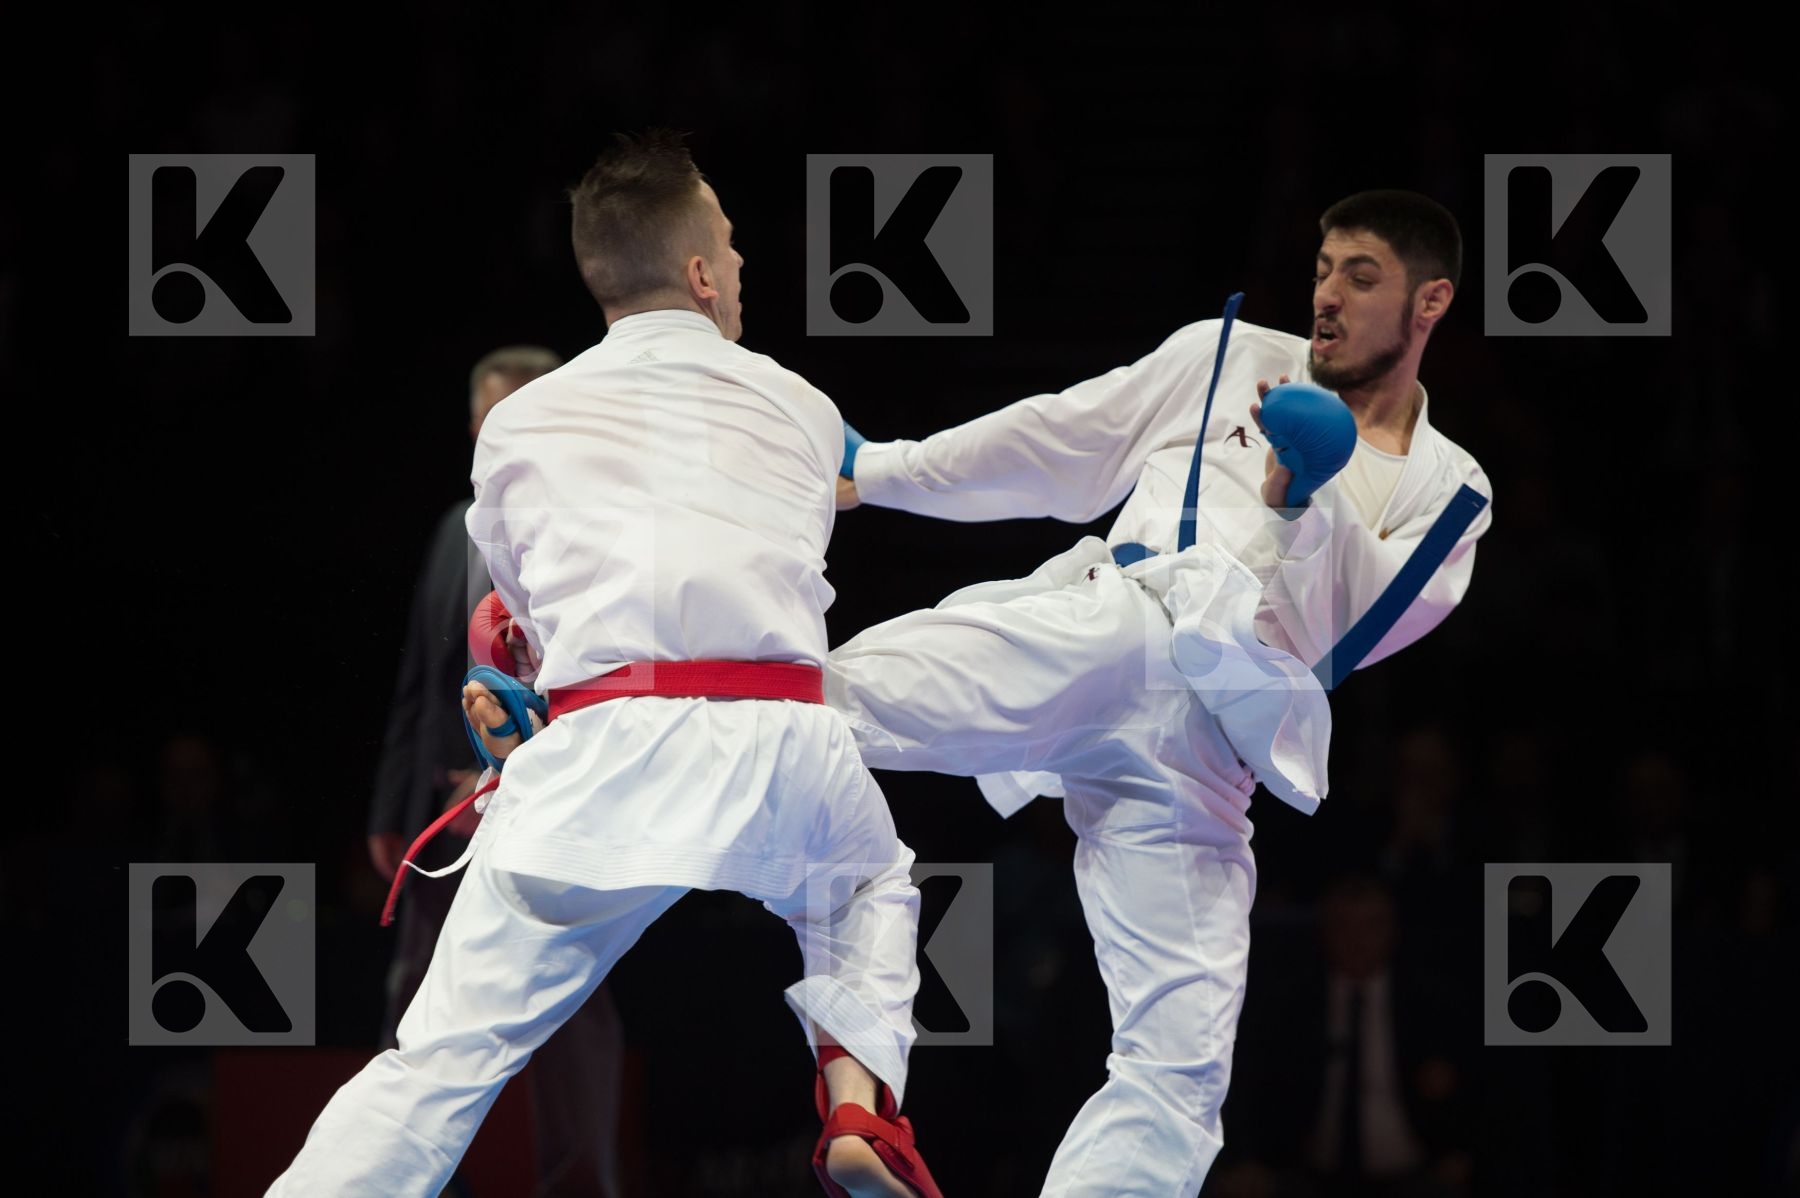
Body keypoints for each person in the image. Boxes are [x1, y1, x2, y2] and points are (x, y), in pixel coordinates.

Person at [267, 131, 943, 1198]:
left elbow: (518, 629)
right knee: (867, 886)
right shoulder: (805, 407)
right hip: (785, 748)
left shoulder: (518, 424)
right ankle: (858, 1103)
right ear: (702, 271)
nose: (742, 266)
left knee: (435, 1066)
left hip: (604, 755)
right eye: (730, 241)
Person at [828, 191, 1492, 1195]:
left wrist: (1302, 495)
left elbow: (1343, 638)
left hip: (1211, 756)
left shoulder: (1454, 490)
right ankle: (589, 714)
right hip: (1120, 629)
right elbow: (1058, 441)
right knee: (834, 703)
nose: (1329, 295)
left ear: (1430, 300)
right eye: (1322, 268)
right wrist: (878, 470)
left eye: (1362, 277)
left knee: (1180, 1077)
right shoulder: (1225, 357)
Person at [366, 344, 633, 1198]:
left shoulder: (597, 531)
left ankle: (582, 1182)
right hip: (444, 815)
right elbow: (419, 674)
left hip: (552, 803)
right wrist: (392, 808)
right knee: (418, 1000)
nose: (487, 437)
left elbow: (608, 675)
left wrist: (514, 770)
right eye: (479, 423)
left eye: (501, 420)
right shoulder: (458, 526)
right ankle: (411, 1180)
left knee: (567, 1002)